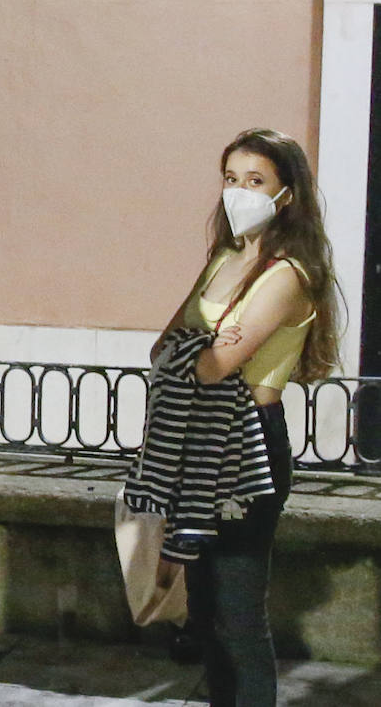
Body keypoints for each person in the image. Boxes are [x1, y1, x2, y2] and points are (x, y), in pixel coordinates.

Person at [148, 127, 341, 706]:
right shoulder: (228, 255)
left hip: (248, 444)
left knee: (238, 619)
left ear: (288, 194)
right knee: (204, 618)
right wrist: (207, 344)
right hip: (200, 435)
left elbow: (211, 366)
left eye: (256, 181)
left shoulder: (287, 275)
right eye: (231, 179)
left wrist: (206, 348)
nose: (238, 192)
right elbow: (166, 347)